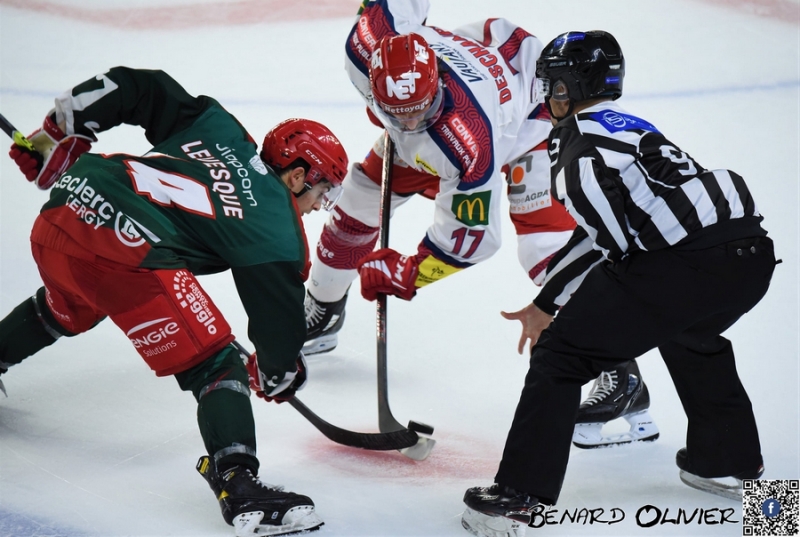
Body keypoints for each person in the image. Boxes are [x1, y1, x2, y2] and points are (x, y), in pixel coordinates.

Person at [0, 66, 349, 537]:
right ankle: (240, 486)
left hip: (65, 211)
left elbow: (139, 87)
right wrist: (278, 370)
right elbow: (278, 317)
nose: (318, 206)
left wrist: (57, 132)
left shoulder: (220, 130)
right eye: (322, 191)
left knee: (73, 304)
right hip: (122, 250)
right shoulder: (277, 222)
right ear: (298, 176)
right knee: (217, 365)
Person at [461, 30, 777, 537]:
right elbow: (622, 228)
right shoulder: (628, 125)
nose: (546, 96)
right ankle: (732, 467)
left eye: (552, 85)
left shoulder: (577, 143)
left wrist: (552, 310)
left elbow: (612, 246)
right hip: (750, 257)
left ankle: (517, 498)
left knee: (560, 357)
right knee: (693, 335)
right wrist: (547, 300)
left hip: (684, 264)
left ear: (568, 87)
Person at [303, 0, 659, 448]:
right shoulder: (366, 43)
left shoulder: (467, 139)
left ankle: (621, 373)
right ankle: (323, 309)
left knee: (546, 254)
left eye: (419, 110)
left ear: (436, 84)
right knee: (358, 200)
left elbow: (472, 240)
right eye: (396, 113)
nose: (408, 121)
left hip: (526, 121)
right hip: (485, 67)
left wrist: (409, 273)